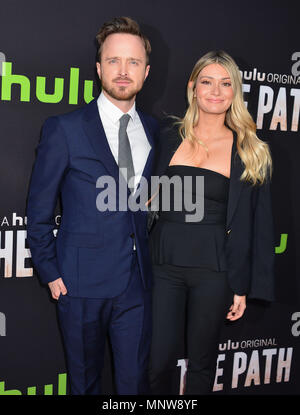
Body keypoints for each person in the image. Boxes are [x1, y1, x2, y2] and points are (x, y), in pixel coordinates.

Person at [26, 16, 158, 395]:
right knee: (84, 384)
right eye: (113, 60)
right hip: (79, 285)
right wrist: (51, 273)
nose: (123, 70)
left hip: (137, 285)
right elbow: (38, 211)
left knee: (134, 386)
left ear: (146, 72)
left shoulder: (153, 129)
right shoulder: (64, 128)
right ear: (99, 68)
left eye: (133, 62)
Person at [148, 50, 275, 395]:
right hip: (162, 265)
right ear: (193, 87)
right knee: (155, 361)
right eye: (207, 82)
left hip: (214, 270)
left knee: (203, 364)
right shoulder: (166, 136)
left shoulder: (251, 149)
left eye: (225, 84)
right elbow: (143, 197)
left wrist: (242, 285)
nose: (216, 91)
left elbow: (259, 226)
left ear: (235, 92)